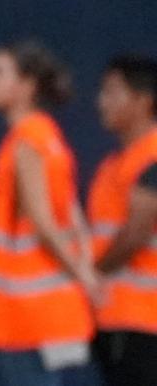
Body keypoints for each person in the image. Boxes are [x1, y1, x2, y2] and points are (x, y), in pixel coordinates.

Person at [0, 40, 97, 385]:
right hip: (49, 313)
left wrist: (84, 276)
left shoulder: (26, 142)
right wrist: (84, 272)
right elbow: (73, 217)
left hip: (24, 317)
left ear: (26, 86)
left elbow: (43, 222)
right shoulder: (49, 138)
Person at [87, 54, 157, 385]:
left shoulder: (152, 159)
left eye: (112, 92)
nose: (102, 102)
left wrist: (87, 275)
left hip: (146, 325)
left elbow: (135, 236)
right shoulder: (111, 167)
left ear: (144, 101)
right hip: (115, 320)